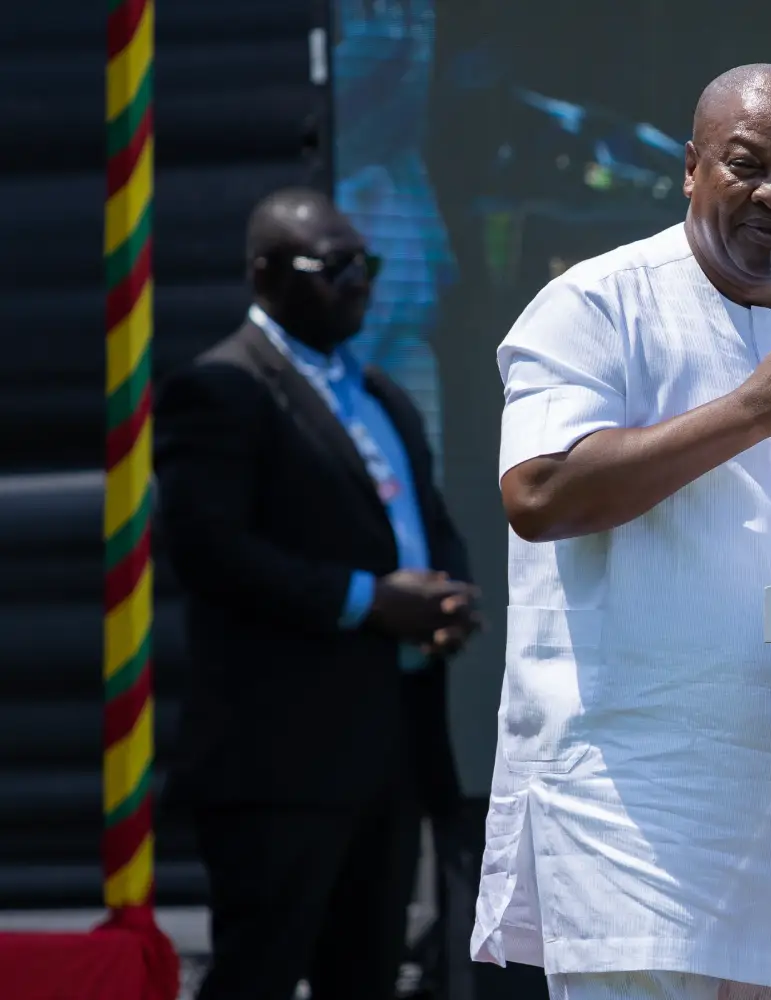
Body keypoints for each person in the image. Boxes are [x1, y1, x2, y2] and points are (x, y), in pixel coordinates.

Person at [472, 64, 771, 1000]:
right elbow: (539, 491)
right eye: (747, 164)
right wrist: (752, 411)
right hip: (632, 825)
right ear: (691, 168)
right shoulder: (598, 304)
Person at [153, 188, 481, 1000]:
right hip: (281, 762)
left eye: (365, 264)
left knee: (367, 978)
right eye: (332, 266)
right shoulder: (222, 388)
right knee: (258, 976)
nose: (358, 282)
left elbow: (428, 521)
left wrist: (446, 599)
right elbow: (210, 552)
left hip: (390, 748)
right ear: (265, 274)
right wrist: (369, 599)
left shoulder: (383, 394)